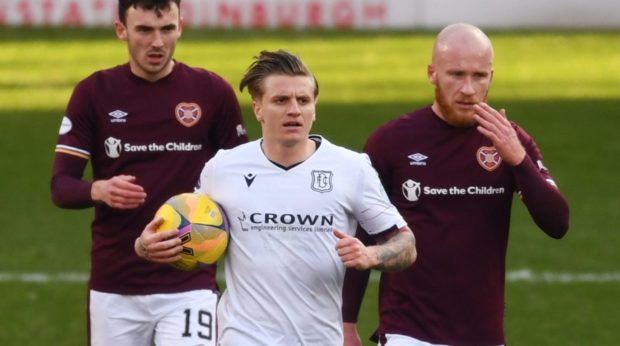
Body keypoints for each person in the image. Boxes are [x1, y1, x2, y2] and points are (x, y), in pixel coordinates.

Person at [134, 49, 417, 345]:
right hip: (243, 337)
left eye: (303, 100)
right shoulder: (223, 168)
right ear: (258, 109)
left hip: (318, 339)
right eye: (281, 100)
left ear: (314, 108)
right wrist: (146, 246)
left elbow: (406, 244)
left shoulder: (351, 168)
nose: (294, 110)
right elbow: (188, 229)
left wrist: (371, 255)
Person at [342, 23, 570, 346]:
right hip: (408, 331)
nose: (468, 89)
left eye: (479, 76)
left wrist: (518, 161)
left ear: (492, 76)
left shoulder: (510, 140)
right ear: (432, 73)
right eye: (456, 75)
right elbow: (362, 233)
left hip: (484, 335)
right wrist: (347, 322)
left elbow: (558, 223)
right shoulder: (391, 142)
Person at [50, 0, 248, 345]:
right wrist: (97, 190)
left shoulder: (212, 93)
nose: (157, 42)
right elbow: (61, 186)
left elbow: (245, 180)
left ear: (180, 27)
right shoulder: (94, 93)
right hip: (116, 286)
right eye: (144, 30)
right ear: (121, 30)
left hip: (190, 281)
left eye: (167, 29)